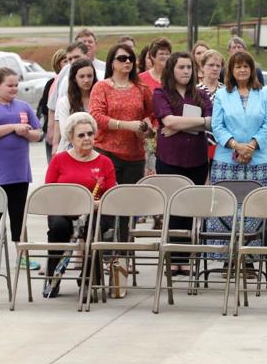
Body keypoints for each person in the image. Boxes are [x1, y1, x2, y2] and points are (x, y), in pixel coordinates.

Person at [208, 51, 267, 267]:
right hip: (227, 160)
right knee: (227, 208)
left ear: (252, 69)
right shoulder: (222, 95)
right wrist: (236, 146)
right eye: (238, 66)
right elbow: (217, 126)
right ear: (231, 70)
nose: (242, 70)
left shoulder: (265, 93)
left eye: (246, 66)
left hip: (258, 160)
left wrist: (251, 146)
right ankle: (228, 256)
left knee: (256, 208)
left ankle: (250, 259)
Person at [0, 67, 43, 272]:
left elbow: (38, 133)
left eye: (16, 85)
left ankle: (22, 254)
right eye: (9, 85)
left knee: (18, 215)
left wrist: (27, 134)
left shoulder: (23, 106)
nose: (14, 89)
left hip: (19, 171)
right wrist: (13, 127)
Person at [43, 113, 116, 297]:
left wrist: (98, 203)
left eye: (90, 134)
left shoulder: (104, 162)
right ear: (71, 138)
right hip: (64, 210)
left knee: (95, 228)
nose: (87, 138)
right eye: (81, 135)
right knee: (58, 226)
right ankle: (53, 277)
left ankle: (88, 279)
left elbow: (111, 195)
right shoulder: (59, 160)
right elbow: (49, 192)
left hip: (94, 211)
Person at [154, 51, 213, 275]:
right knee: (172, 209)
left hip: (197, 160)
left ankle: (185, 258)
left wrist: (181, 125)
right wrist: (196, 123)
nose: (186, 71)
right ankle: (172, 258)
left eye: (189, 67)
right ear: (172, 69)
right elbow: (167, 120)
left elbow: (211, 122)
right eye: (181, 67)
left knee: (189, 208)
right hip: (170, 159)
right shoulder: (161, 93)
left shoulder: (200, 95)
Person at [88, 43, 154, 242]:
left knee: (127, 206)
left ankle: (124, 252)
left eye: (131, 59)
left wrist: (148, 129)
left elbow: (150, 116)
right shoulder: (102, 87)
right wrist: (127, 125)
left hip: (134, 156)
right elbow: (96, 117)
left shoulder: (141, 88)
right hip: (106, 153)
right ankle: (103, 249)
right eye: (122, 58)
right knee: (105, 203)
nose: (127, 62)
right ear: (112, 62)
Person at [138, 37, 172, 177]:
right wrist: (147, 125)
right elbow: (138, 106)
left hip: (170, 132)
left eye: (167, 53)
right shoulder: (141, 78)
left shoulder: (174, 78)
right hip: (149, 134)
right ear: (152, 56)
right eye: (161, 53)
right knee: (150, 173)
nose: (165, 56)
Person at [55, 59, 97, 152]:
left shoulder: (100, 99)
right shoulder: (65, 102)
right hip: (71, 151)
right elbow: (65, 132)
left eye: (89, 76)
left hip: (97, 150)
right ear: (74, 78)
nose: (86, 80)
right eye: (82, 76)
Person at [38, 48, 68, 160]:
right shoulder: (52, 83)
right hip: (53, 130)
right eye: (65, 61)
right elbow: (46, 108)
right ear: (58, 64)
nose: (68, 64)